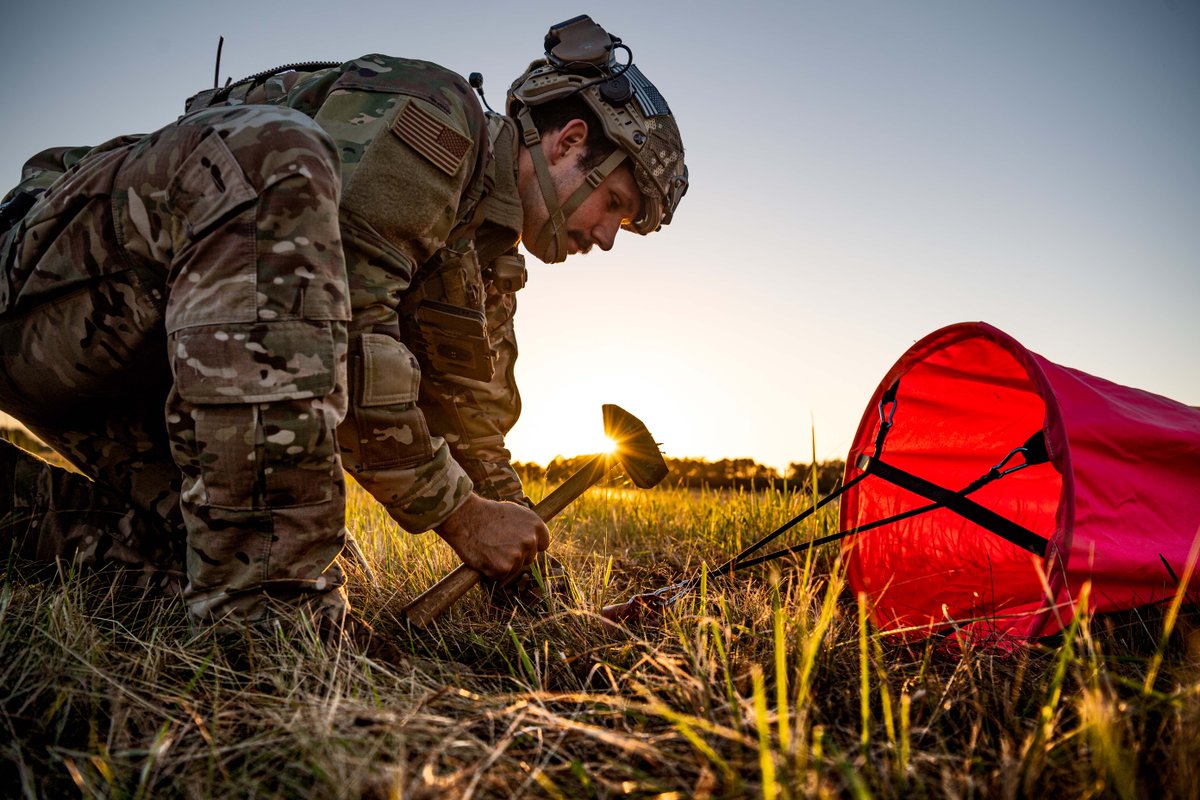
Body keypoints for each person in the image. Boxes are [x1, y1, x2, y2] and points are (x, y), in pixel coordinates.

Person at [0, 15, 687, 638]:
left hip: (155, 373)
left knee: (270, 556)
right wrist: (458, 514)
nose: (604, 238)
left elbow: (477, 441)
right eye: (613, 204)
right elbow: (345, 320)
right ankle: (266, 623)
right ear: (568, 142)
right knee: (280, 154)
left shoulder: (486, 273)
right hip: (57, 290)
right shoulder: (437, 117)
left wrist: (543, 603)